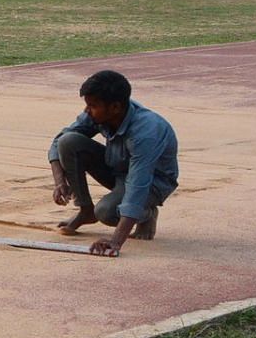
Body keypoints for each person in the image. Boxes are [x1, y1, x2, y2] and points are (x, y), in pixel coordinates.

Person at [47, 69, 179, 257]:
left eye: (92, 106)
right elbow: (58, 141)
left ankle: (146, 213)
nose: (87, 111)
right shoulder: (100, 112)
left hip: (152, 182)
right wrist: (60, 182)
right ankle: (85, 211)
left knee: (107, 212)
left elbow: (138, 185)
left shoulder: (146, 132)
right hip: (118, 169)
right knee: (68, 142)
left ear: (115, 107)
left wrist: (115, 242)